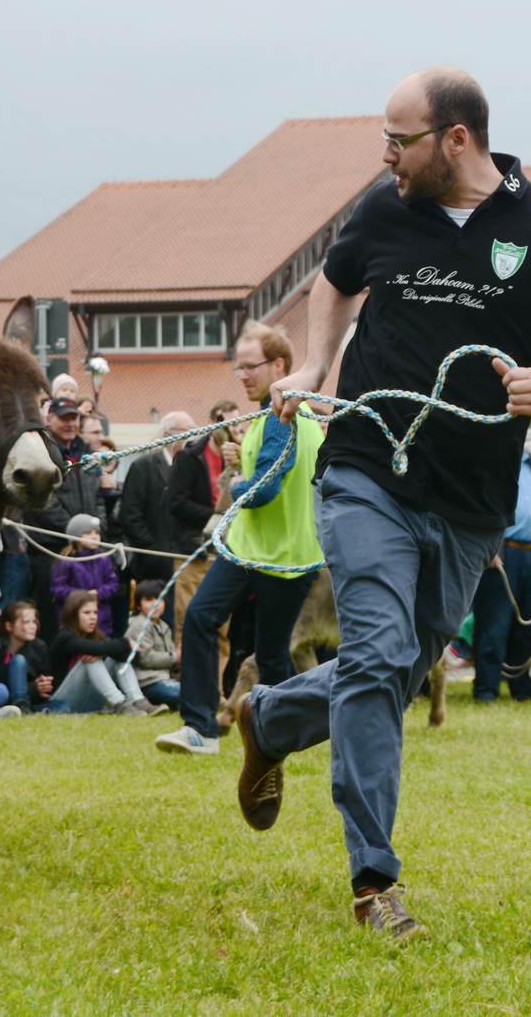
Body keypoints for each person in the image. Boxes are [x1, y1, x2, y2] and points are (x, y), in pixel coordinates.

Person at [244, 66, 531, 937]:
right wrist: (313, 366)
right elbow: (334, 282)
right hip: (366, 473)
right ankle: (374, 879)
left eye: (399, 138)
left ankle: (269, 718)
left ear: (457, 138)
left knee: (399, 670)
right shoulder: (384, 209)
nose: (385, 154)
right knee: (378, 653)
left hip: (472, 499)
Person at [157, 322, 324, 755]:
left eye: (250, 367)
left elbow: (265, 487)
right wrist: (242, 463)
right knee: (210, 623)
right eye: (239, 367)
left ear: (280, 365)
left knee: (266, 653)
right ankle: (205, 730)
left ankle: (266, 738)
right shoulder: (289, 415)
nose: (243, 375)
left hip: (281, 558)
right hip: (257, 553)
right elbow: (274, 471)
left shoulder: (279, 418)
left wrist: (237, 488)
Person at [468, 442, 531, 702]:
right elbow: (475, 506)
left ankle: (529, 689)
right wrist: (486, 549)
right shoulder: (491, 461)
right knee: (493, 627)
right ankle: (486, 690)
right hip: (501, 557)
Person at [20, 397, 103, 641]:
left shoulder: (86, 453)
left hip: (86, 553)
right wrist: (80, 532)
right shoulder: (40, 452)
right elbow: (43, 501)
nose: (70, 423)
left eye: (74, 418)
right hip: (52, 553)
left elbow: (98, 495)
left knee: (87, 621)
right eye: (64, 418)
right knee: (52, 621)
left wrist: (97, 529)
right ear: (49, 419)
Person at [165, 399, 241, 636]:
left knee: (222, 630)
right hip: (194, 550)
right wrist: (214, 519)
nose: (229, 429)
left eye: (235, 424)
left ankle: (217, 674)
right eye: (223, 422)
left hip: (226, 550)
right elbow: (176, 502)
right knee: (188, 623)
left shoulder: (244, 457)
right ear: (211, 423)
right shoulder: (190, 457)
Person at [116, 410, 194, 613]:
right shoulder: (144, 467)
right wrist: (153, 549)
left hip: (187, 564)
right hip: (153, 568)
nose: (194, 436)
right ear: (169, 435)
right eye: (188, 431)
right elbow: (129, 515)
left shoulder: (193, 469)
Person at [45, 591, 152, 715]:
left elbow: (134, 656)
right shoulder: (64, 637)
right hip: (63, 702)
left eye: (95, 612)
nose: (93, 617)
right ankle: (120, 704)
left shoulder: (96, 636)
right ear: (73, 614)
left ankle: (138, 700)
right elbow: (95, 648)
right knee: (91, 659)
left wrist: (106, 652)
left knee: (114, 655)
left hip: (89, 701)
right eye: (87, 613)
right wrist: (125, 642)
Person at [49, 514, 122, 638]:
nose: (94, 537)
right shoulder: (66, 561)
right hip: (74, 622)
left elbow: (113, 584)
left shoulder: (103, 559)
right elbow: (58, 589)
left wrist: (99, 593)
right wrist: (82, 596)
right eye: (88, 533)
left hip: (101, 622)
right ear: (76, 537)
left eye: (97, 533)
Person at [0, 600, 54, 713]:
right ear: (9, 626)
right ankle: (21, 704)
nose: (32, 627)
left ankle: (30, 710)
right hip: (4, 700)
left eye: (34, 622)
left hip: (32, 701)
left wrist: (43, 685)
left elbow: (45, 684)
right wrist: (32, 688)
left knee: (64, 704)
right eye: (26, 622)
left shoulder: (40, 647)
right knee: (18, 660)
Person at [127, 580, 182, 711]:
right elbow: (146, 658)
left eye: (160, 599)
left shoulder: (164, 626)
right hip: (146, 682)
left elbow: (168, 656)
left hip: (164, 680)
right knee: (181, 693)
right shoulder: (139, 625)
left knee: (193, 691)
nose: (155, 604)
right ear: (139, 605)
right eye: (148, 600)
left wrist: (178, 661)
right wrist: (175, 657)